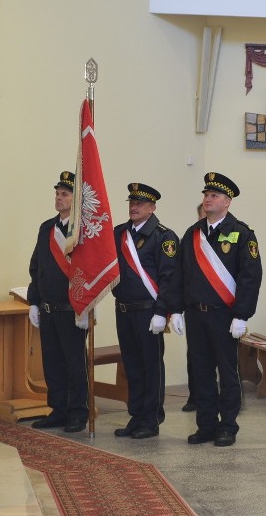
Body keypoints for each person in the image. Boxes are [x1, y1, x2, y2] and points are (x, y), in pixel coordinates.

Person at [160, 172, 262, 447]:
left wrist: (242, 315)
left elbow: (250, 278)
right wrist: (176, 310)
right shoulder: (192, 234)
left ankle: (227, 426)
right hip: (195, 314)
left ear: (227, 201)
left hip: (224, 315)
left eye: (214, 195)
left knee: (227, 373)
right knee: (201, 371)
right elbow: (179, 274)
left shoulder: (242, 234)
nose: (207, 199)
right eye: (206, 195)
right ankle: (206, 425)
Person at [111, 183, 179, 439]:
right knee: (132, 366)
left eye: (140, 203)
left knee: (151, 367)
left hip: (149, 312)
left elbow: (169, 278)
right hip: (124, 309)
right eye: (131, 202)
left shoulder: (164, 236)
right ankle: (136, 416)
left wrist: (163, 312)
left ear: (152, 208)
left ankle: (150, 420)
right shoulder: (119, 233)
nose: (134, 206)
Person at [27, 171, 89, 433]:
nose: (59, 198)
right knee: (52, 362)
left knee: (74, 363)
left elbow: (89, 270)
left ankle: (77, 412)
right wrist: (34, 301)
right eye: (57, 193)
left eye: (65, 194)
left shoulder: (84, 231)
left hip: (73, 310)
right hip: (49, 310)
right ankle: (58, 409)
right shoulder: (47, 229)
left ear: (76, 199)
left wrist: (86, 305)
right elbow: (36, 267)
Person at [181, 202, 208, 413]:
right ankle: (195, 396)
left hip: (221, 312)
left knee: (225, 361)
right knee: (195, 357)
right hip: (194, 309)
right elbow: (181, 274)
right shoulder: (191, 238)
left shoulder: (235, 234)